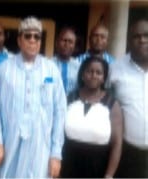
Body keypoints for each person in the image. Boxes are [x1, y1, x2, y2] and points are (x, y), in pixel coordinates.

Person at [0, 16, 67, 178]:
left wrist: (56, 154)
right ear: (19, 40)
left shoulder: (51, 70)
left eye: (37, 36)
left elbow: (60, 112)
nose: (33, 40)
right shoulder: (4, 70)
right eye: (28, 36)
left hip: (40, 151)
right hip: (10, 150)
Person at [61, 56, 123, 178]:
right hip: (68, 166)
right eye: (89, 71)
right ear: (82, 75)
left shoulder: (112, 104)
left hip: (98, 168)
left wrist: (109, 175)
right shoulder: (70, 99)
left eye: (98, 73)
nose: (94, 75)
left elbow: (117, 143)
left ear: (104, 78)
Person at [110, 15, 148, 178]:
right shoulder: (116, 68)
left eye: (147, 36)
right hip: (127, 152)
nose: (142, 40)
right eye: (136, 36)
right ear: (128, 41)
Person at [53, 27, 80, 95]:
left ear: (74, 46)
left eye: (70, 42)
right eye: (64, 40)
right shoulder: (48, 64)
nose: (66, 44)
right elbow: (46, 81)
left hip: (73, 103)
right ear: (57, 43)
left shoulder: (79, 66)